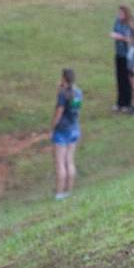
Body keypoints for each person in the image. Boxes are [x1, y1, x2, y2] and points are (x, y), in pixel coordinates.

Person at [51, 68, 83, 201]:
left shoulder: (63, 95)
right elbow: (76, 110)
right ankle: (68, 191)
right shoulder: (78, 92)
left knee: (60, 163)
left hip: (62, 130)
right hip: (74, 128)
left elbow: (59, 112)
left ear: (64, 78)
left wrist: (52, 127)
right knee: (69, 161)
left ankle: (59, 193)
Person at [112, 5, 134, 113]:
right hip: (119, 54)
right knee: (119, 79)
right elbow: (113, 32)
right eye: (119, 13)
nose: (119, 15)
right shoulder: (117, 21)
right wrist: (118, 36)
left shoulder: (130, 24)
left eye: (121, 13)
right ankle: (119, 103)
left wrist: (119, 37)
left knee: (126, 80)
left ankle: (127, 103)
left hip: (127, 55)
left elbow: (130, 39)